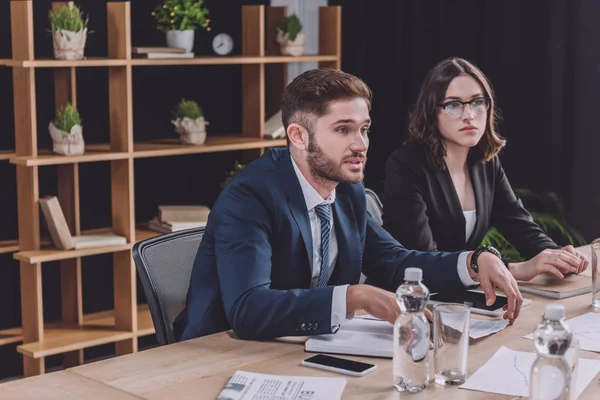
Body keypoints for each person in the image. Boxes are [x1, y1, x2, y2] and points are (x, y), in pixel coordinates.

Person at [175, 68, 523, 343]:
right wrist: (352, 297)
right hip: (217, 354)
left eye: (365, 129)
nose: (361, 144)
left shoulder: (346, 189)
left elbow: (392, 260)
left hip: (300, 346)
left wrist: (474, 262)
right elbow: (248, 309)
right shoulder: (249, 197)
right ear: (298, 136)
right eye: (343, 130)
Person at [382, 57, 588, 284]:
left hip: (463, 297)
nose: (469, 115)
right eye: (453, 105)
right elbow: (422, 260)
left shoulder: (484, 163)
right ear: (432, 111)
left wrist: (557, 256)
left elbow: (520, 225)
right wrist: (515, 269)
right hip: (409, 299)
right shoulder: (405, 165)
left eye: (477, 102)